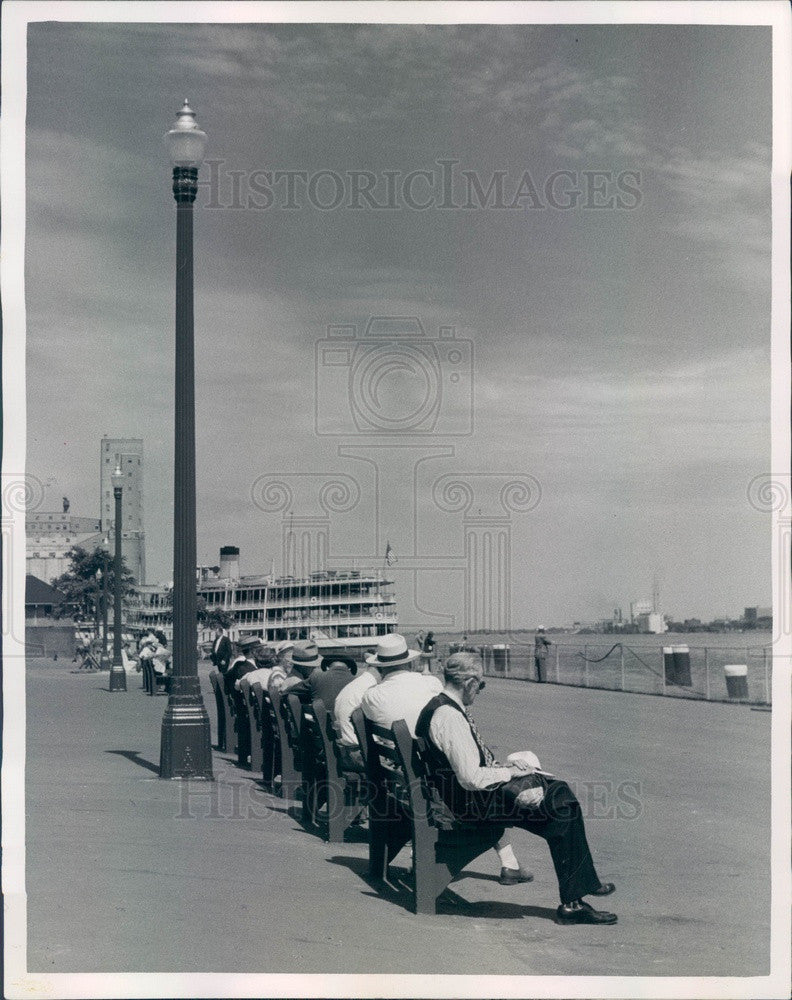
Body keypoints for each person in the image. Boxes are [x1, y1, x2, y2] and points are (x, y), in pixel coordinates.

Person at [415, 651, 617, 924]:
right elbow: (471, 778)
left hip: (458, 798)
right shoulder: (450, 717)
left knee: (558, 802)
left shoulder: (436, 706)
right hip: (471, 805)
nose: (479, 692)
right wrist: (509, 771)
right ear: (470, 683)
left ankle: (579, 891)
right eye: (481, 686)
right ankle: (576, 897)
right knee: (562, 802)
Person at [362, 635, 531, 884]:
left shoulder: (371, 697)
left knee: (476, 778)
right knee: (483, 783)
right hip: (432, 782)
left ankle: (510, 864)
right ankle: (509, 863)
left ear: (380, 666)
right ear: (408, 662)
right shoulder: (430, 684)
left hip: (403, 777)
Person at [333, 659, 382, 770]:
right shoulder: (372, 690)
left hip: (345, 751)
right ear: (382, 670)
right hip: (360, 756)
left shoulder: (355, 685)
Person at [290, 654, 357, 715]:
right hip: (351, 725)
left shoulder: (316, 677)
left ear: (327, 667)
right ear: (349, 669)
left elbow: (288, 692)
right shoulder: (357, 681)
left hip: (321, 725)